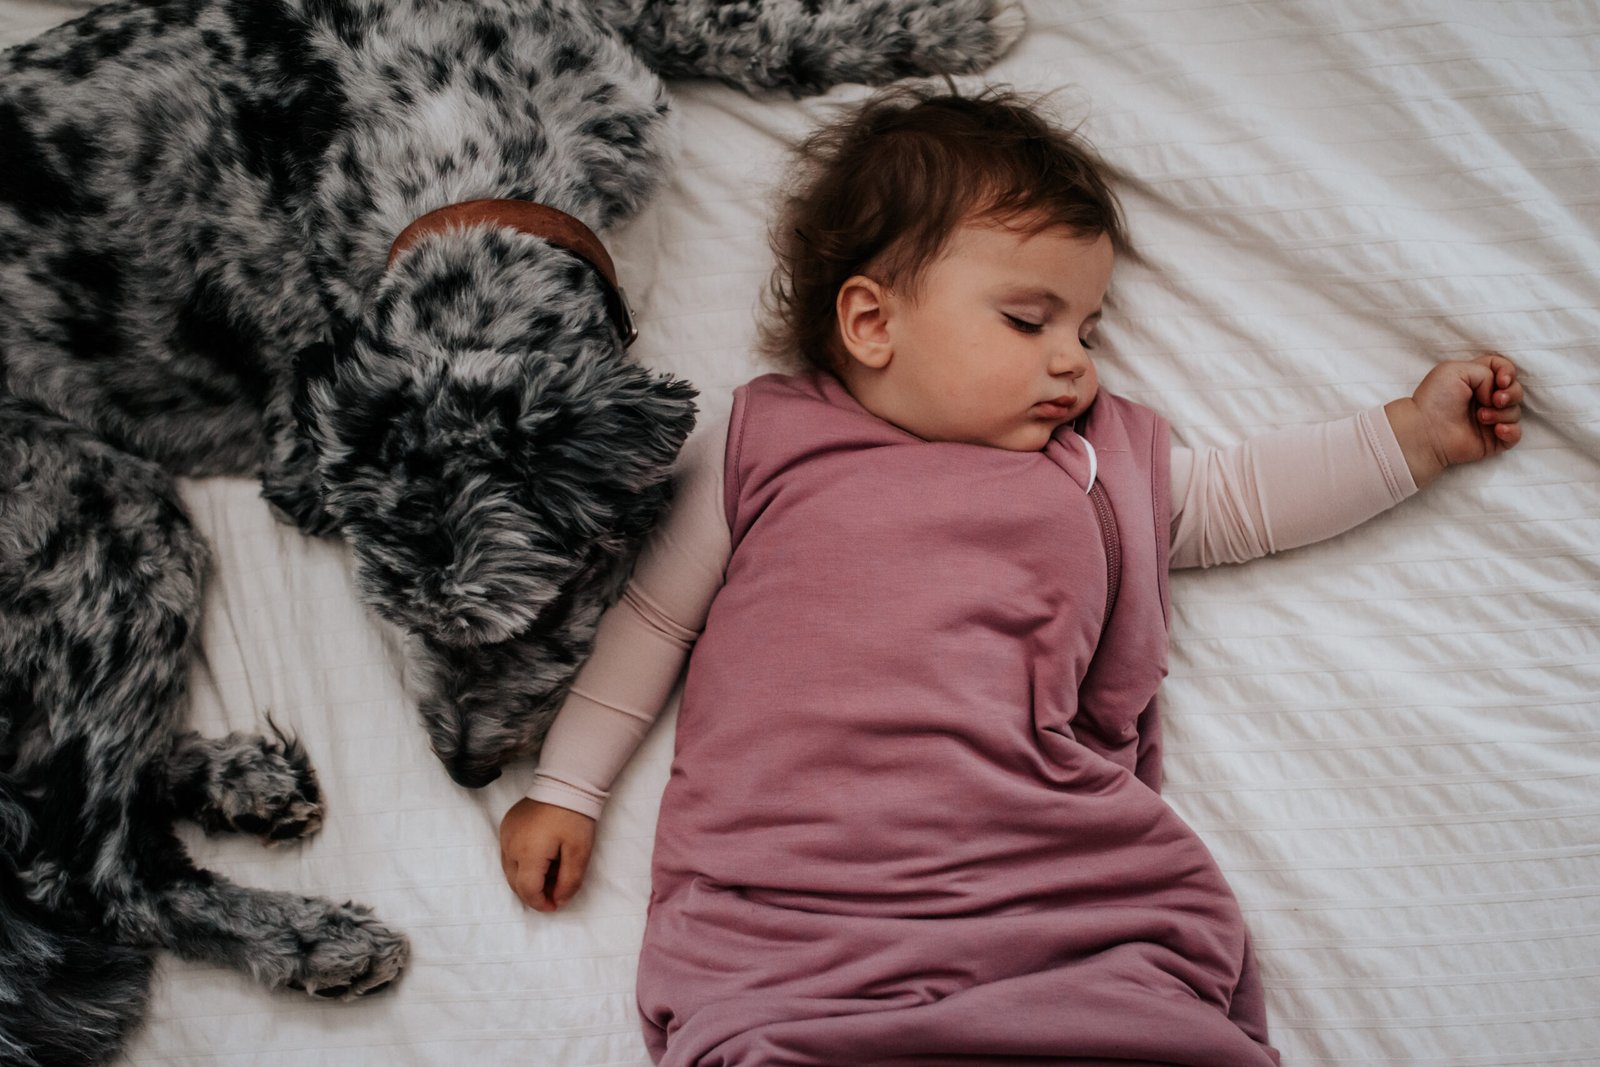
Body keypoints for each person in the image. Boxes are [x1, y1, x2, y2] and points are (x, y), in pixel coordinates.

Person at [497, 84, 1523, 1066]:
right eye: (1029, 322)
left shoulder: (1089, 465)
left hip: (1032, 871)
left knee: (1118, 1008)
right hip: (796, 895)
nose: (1075, 361)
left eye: (1088, 329)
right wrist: (568, 787)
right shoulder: (763, 441)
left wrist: (1413, 437)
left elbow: (1239, 501)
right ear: (871, 322)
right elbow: (655, 620)